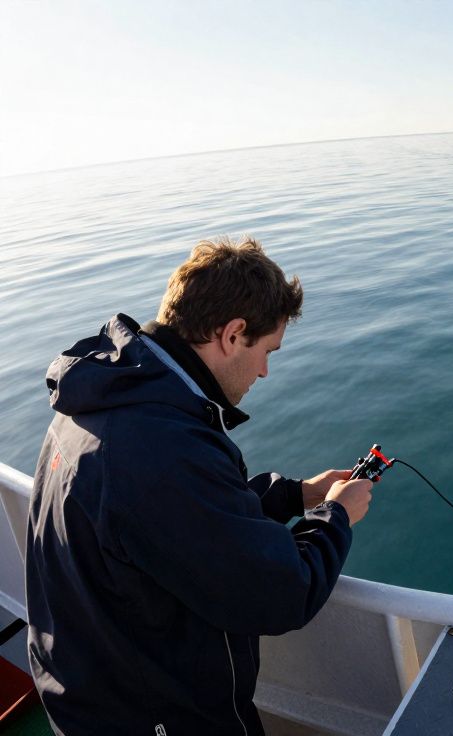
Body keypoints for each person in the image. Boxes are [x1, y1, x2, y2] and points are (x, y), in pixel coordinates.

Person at [26, 236, 375, 735]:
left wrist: (294, 496)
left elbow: (172, 522)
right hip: (155, 719)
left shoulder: (102, 399)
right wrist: (335, 516)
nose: (265, 371)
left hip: (90, 694)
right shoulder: (160, 448)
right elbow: (280, 592)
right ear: (232, 334)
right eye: (267, 351)